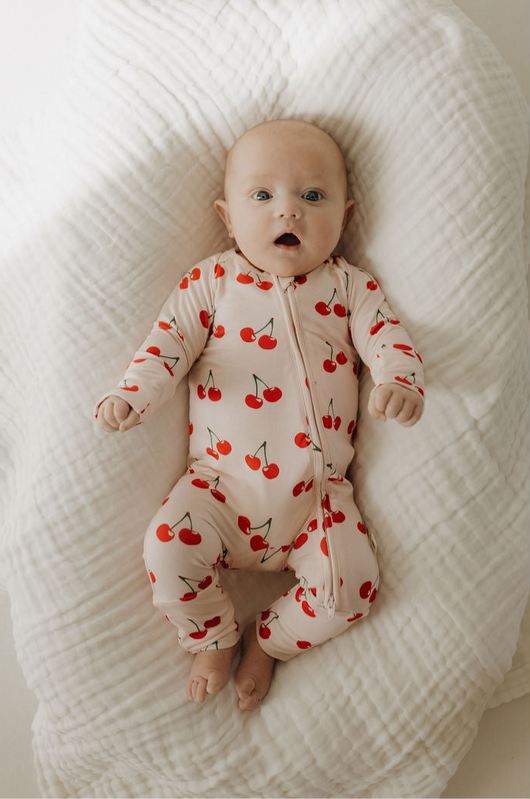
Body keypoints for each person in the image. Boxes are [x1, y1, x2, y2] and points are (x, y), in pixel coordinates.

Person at [95, 118, 425, 710]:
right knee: (166, 549)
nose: (289, 212)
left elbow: (387, 338)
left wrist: (399, 379)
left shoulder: (347, 287)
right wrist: (132, 395)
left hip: (318, 499)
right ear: (227, 218)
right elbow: (167, 346)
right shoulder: (213, 282)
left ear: (345, 218)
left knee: (352, 588)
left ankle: (269, 641)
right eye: (263, 196)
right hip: (219, 487)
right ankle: (213, 634)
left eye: (313, 197)